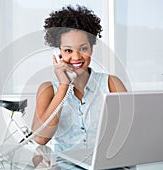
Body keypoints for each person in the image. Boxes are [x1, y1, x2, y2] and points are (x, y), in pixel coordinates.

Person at [32, 5, 127, 150]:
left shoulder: (111, 83)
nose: (76, 57)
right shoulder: (48, 89)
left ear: (91, 49)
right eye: (68, 50)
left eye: (83, 49)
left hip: (105, 167)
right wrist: (63, 86)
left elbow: (130, 130)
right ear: (59, 53)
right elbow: (40, 138)